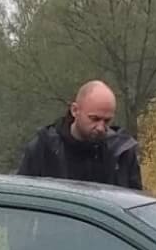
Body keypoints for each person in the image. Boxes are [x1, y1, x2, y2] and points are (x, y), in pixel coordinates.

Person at [15, 80, 143, 189]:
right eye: (94, 119)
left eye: (107, 121)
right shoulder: (43, 149)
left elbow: (135, 208)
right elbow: (23, 201)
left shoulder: (122, 154)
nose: (100, 127)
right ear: (75, 110)